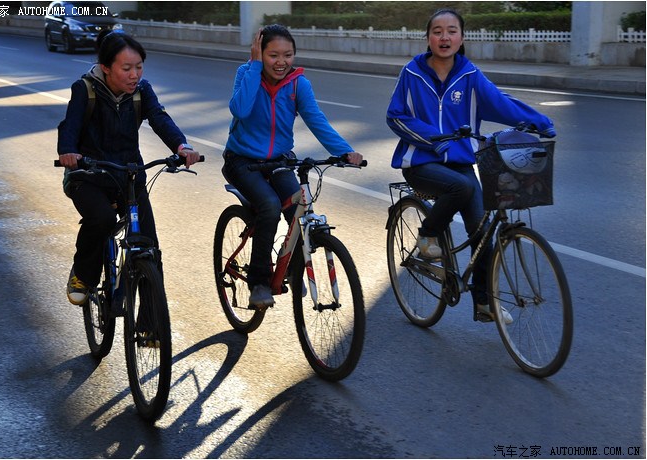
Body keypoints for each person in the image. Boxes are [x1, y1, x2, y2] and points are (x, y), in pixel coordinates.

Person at [385, 9, 556, 323]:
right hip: (420, 163)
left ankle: (484, 303)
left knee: (483, 232)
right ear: (428, 37)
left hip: (461, 163)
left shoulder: (470, 75)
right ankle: (427, 235)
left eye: (452, 31)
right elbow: (396, 116)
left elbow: (501, 102)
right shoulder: (412, 73)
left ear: (461, 37)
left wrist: (539, 122)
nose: (444, 37)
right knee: (461, 188)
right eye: (437, 31)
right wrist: (434, 139)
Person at [222, 24, 364, 308]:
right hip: (242, 160)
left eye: (287, 55)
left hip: (279, 160)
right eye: (273, 55)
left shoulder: (298, 84)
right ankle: (259, 282)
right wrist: (254, 66)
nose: (281, 62)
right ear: (260, 53)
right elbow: (240, 109)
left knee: (299, 208)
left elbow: (316, 120)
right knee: (269, 206)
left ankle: (293, 268)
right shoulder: (246, 73)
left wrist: (344, 152)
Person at [57, 31, 201, 305]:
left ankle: (151, 321)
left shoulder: (141, 91)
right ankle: (83, 275)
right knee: (102, 220)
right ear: (106, 67)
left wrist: (181, 146)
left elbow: (159, 118)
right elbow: (70, 126)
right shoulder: (85, 89)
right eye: (126, 68)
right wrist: (68, 151)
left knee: (148, 244)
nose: (134, 75)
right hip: (88, 176)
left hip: (128, 175)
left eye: (139, 67)